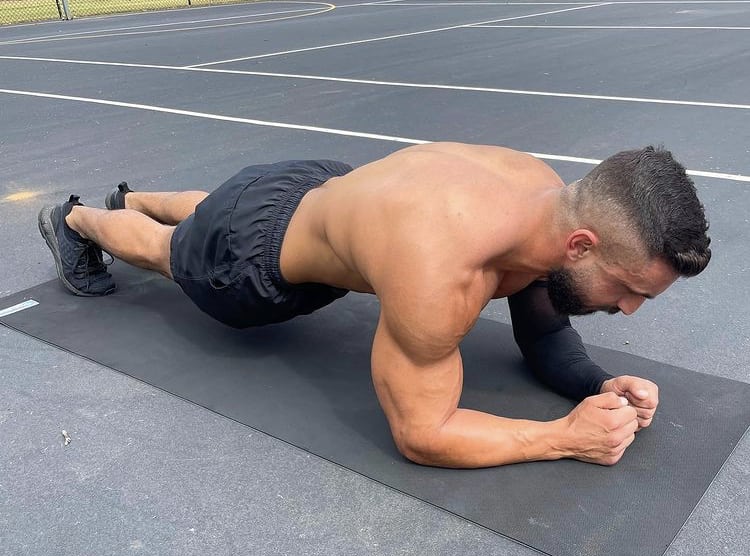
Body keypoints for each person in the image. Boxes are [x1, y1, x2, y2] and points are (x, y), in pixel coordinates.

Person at [37, 143, 710, 469]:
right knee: (169, 247)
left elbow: (544, 331)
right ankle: (79, 220)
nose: (627, 311)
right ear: (581, 245)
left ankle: (135, 192)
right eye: (629, 290)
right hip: (253, 262)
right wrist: (565, 437)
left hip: (318, 186)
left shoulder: (543, 196)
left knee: (222, 206)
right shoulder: (440, 271)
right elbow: (423, 433)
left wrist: (599, 386)